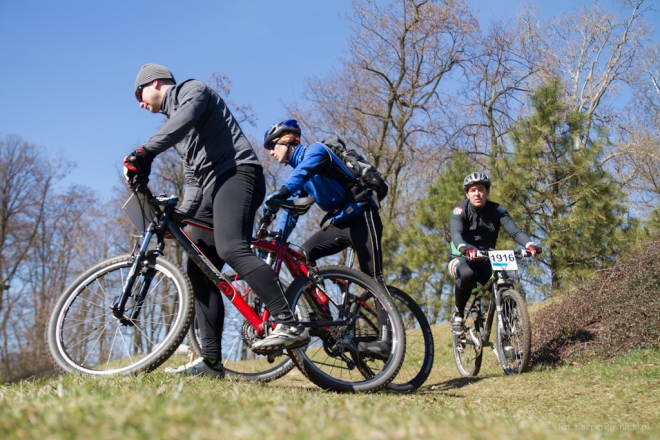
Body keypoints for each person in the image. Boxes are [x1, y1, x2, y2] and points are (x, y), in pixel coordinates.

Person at [122, 64, 309, 377]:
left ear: (155, 82)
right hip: (212, 188)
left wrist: (145, 153)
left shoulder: (191, 90)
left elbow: (186, 118)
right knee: (199, 268)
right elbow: (194, 178)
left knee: (231, 247)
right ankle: (210, 362)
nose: (141, 103)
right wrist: (181, 215)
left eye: (139, 94)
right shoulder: (177, 127)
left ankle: (287, 323)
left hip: (237, 173)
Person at [262, 119, 390, 359]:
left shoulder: (317, 152)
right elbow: (291, 211)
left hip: (362, 215)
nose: (270, 152)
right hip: (340, 223)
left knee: (373, 277)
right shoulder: (301, 175)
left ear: (288, 139)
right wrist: (279, 237)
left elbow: (301, 175)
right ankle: (323, 316)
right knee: (302, 254)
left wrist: (282, 191)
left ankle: (386, 341)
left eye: (273, 145)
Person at [448, 172, 541, 335]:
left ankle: (510, 331)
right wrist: (465, 247)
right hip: (462, 256)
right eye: (473, 190)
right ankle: (458, 313)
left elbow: (514, 231)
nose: (477, 193)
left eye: (481, 189)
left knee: (504, 282)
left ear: (488, 191)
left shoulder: (497, 210)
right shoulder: (460, 210)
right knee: (468, 274)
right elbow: (456, 233)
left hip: (487, 257)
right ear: (467, 193)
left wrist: (530, 244)